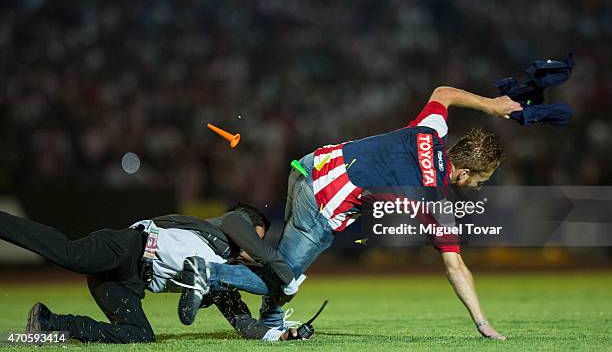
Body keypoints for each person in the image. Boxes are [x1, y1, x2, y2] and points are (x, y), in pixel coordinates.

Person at [180, 86, 521, 341]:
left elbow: (443, 93)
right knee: (284, 276)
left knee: (283, 264)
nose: (479, 188)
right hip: (322, 201)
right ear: (462, 173)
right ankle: (206, 273)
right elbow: (455, 266)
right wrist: (481, 322)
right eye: (481, 181)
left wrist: (491, 105)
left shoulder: (430, 132)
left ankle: (271, 322)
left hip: (310, 166)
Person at [0, 204, 303, 343]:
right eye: (256, 237)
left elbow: (244, 323)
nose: (252, 247)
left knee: (138, 335)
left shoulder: (218, 275)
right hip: (127, 247)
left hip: (130, 283)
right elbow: (259, 250)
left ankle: (47, 322)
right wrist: (283, 273)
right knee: (69, 254)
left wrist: (284, 335)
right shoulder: (229, 225)